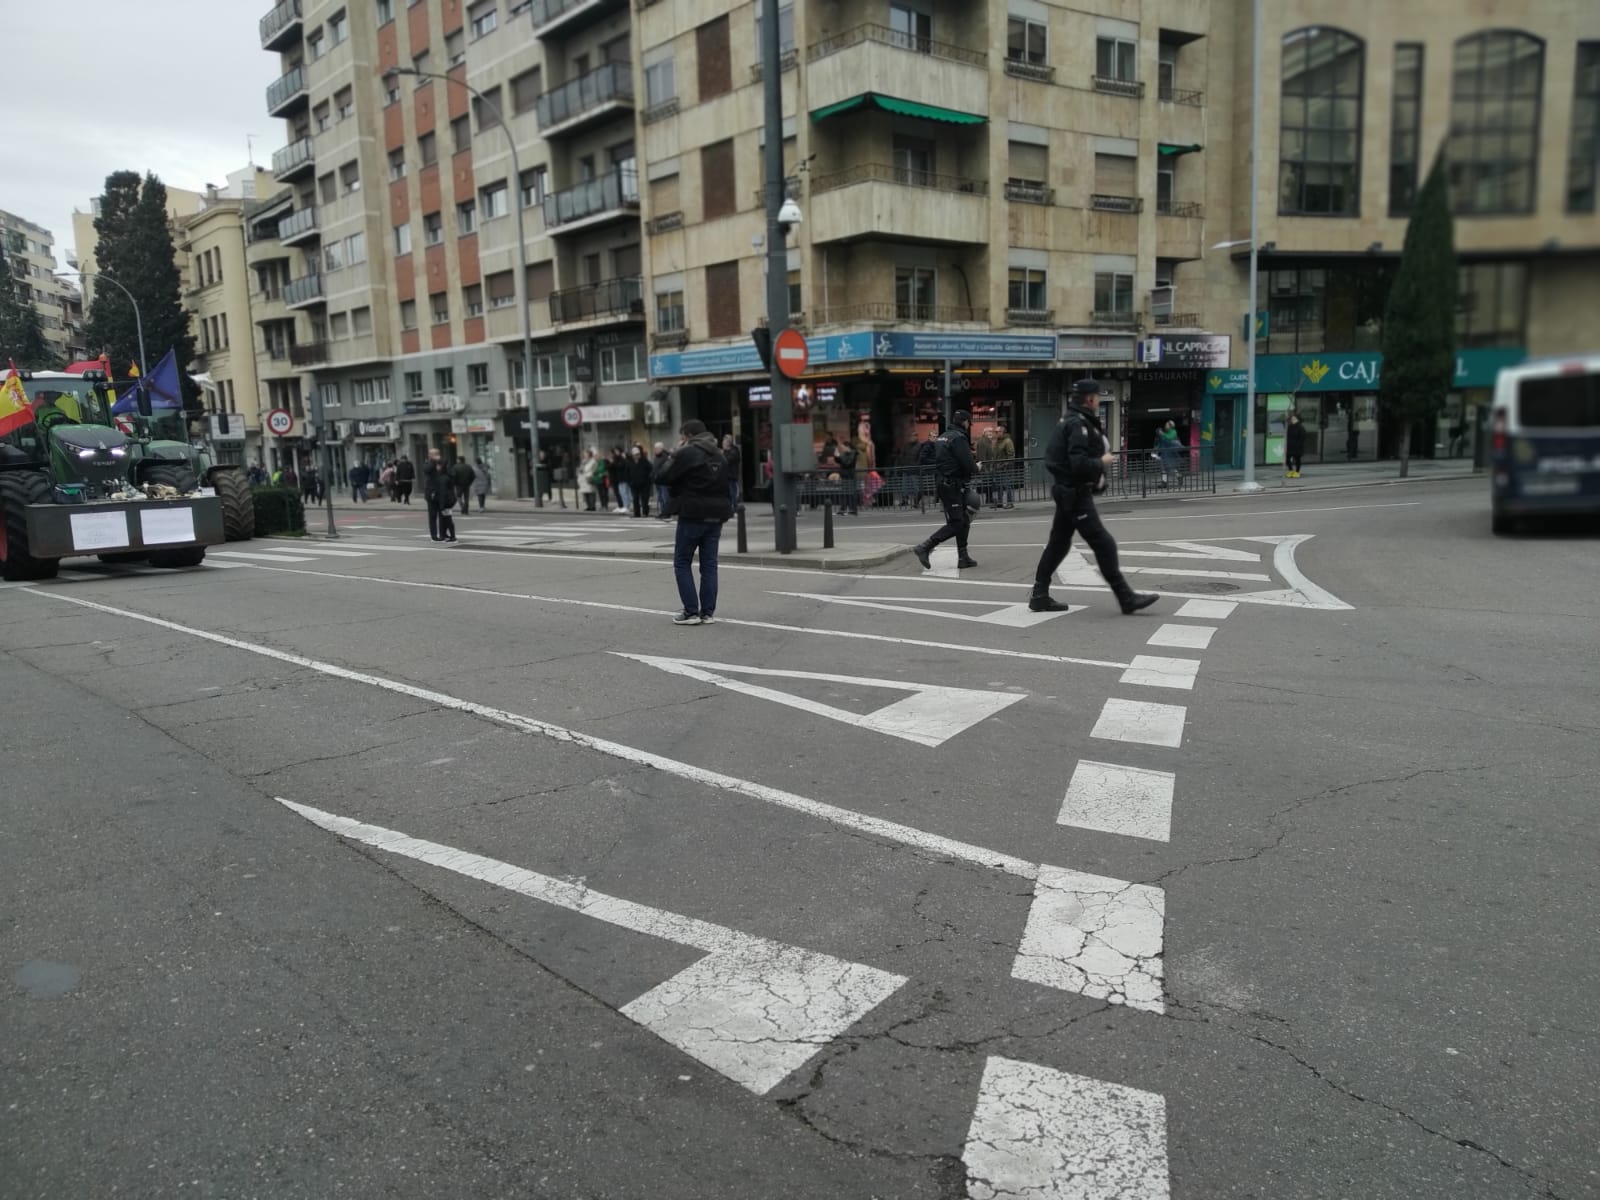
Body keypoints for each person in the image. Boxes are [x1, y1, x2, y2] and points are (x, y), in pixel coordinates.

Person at [1028, 379, 1159, 616]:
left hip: (1068, 491)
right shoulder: (1077, 424)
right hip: (1075, 493)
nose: (1099, 400)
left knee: (1058, 544)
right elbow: (1078, 463)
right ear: (1089, 398)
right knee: (1103, 542)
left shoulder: (1071, 420)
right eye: (1097, 396)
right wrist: (1102, 462)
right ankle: (1126, 597)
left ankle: (1039, 595)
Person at [656, 419, 733, 625]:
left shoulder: (688, 452)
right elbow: (728, 484)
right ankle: (707, 612)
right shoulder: (720, 454)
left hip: (692, 513)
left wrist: (675, 454)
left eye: (682, 437)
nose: (681, 440)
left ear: (688, 435)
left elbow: (661, 476)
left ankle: (691, 611)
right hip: (717, 515)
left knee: (682, 562)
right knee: (709, 564)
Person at [911, 409, 980, 571]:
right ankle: (925, 547)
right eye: (969, 422)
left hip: (946, 483)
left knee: (963, 520)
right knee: (957, 523)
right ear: (964, 422)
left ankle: (963, 557)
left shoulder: (943, 436)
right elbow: (968, 463)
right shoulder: (958, 438)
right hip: (952, 485)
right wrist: (976, 467)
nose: (969, 425)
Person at [422, 448, 457, 542]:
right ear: (429, 456)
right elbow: (426, 470)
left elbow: (451, 473)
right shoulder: (428, 463)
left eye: (436, 454)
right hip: (431, 494)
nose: (435, 456)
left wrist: (441, 463)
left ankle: (443, 534)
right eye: (432, 454)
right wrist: (433, 462)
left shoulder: (443, 463)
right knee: (432, 516)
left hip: (443, 495)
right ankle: (434, 536)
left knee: (443, 516)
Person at [992, 421, 1017, 509]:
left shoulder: (1007, 441)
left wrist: (1005, 464)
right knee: (999, 485)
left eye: (997, 432)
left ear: (1002, 432)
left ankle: (1010, 502)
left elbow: (1011, 455)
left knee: (1007, 485)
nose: (996, 433)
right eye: (995, 432)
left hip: (1005, 468)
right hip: (998, 467)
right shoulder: (997, 441)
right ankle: (999, 502)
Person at [833, 436, 859, 515]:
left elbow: (847, 463)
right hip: (844, 476)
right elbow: (840, 461)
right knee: (844, 493)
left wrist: (839, 457)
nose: (842, 449)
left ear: (848, 447)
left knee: (851, 494)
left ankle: (852, 510)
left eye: (843, 447)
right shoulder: (845, 454)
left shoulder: (853, 453)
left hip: (850, 476)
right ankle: (843, 509)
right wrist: (836, 456)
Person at [628, 444, 654, 518]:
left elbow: (650, 470)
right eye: (635, 455)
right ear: (632, 455)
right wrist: (629, 481)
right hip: (634, 484)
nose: (637, 456)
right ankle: (637, 513)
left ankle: (645, 513)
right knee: (635, 499)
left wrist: (648, 480)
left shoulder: (644, 461)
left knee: (644, 499)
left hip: (644, 484)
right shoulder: (630, 462)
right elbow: (628, 472)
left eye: (638, 454)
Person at [1155, 420, 1181, 487]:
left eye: (1166, 425)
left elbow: (1169, 437)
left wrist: (1162, 433)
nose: (1165, 426)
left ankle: (1179, 477)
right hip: (1164, 453)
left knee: (1171, 467)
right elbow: (1161, 442)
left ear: (1170, 426)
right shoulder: (1166, 432)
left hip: (1171, 454)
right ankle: (1164, 482)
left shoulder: (1173, 432)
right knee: (1163, 468)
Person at [721, 434, 742, 511]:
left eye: (725, 441)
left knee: (732, 492)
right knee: (728, 492)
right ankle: (730, 507)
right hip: (726, 475)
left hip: (731, 475)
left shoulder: (734, 451)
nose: (723, 443)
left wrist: (724, 452)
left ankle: (734, 507)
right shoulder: (728, 451)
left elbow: (726, 460)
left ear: (729, 442)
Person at [608, 447, 631, 514]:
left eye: (617, 451)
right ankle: (624, 506)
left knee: (624, 493)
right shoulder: (617, 459)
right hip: (619, 478)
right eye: (615, 451)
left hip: (623, 478)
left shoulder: (622, 458)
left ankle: (626, 506)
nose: (616, 453)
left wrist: (613, 463)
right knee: (622, 493)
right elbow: (611, 467)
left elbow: (620, 466)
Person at [579, 447, 601, 511]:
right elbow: (581, 468)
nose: (585, 455)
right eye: (584, 454)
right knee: (585, 493)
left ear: (589, 454)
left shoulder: (593, 461)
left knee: (591, 492)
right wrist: (581, 469)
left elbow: (594, 469)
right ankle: (588, 506)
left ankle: (592, 506)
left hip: (590, 477)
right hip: (583, 478)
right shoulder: (583, 461)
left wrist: (591, 473)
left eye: (586, 454)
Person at [652, 443, 672, 517]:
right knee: (660, 498)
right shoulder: (657, 457)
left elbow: (665, 469)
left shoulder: (665, 457)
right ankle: (662, 511)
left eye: (656, 449)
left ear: (661, 449)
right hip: (658, 480)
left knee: (665, 497)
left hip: (664, 480)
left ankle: (666, 512)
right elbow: (655, 468)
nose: (654, 450)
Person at [1284, 412, 1306, 479]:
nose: (1293, 420)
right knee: (1287, 459)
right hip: (1289, 446)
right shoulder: (1289, 427)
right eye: (1292, 419)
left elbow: (1302, 438)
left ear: (1298, 419)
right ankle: (1290, 470)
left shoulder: (1300, 427)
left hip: (1297, 446)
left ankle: (1297, 472)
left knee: (1297, 459)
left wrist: (1299, 446)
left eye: (1294, 419)